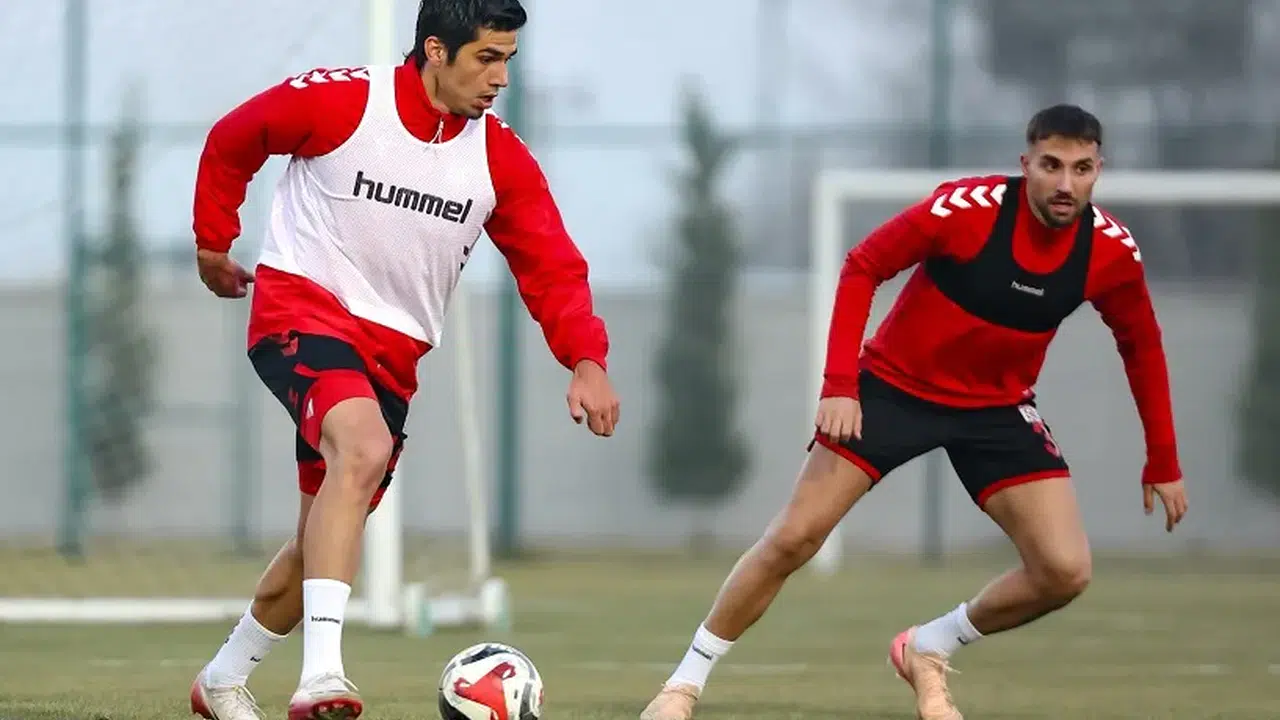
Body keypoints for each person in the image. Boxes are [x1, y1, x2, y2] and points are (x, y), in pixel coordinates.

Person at [639, 104, 1189, 720]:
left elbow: (1142, 345)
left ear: (1098, 170)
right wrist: (840, 385)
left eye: (1081, 169)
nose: (1066, 184)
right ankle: (683, 685)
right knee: (795, 538)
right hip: (893, 390)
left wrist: (1163, 459)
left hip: (997, 407)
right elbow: (863, 265)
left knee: (1065, 571)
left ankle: (928, 646)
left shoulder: (1111, 251)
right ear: (1025, 164)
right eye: (1051, 165)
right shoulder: (966, 211)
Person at [186, 1, 620, 719]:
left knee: (321, 540)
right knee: (363, 448)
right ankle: (322, 677)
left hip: (392, 360)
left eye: (508, 60)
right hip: (301, 312)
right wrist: (212, 241)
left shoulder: (499, 157)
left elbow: (552, 268)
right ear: (436, 51)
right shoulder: (343, 101)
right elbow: (236, 136)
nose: (501, 78)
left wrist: (586, 359)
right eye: (487, 58)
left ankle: (223, 679)